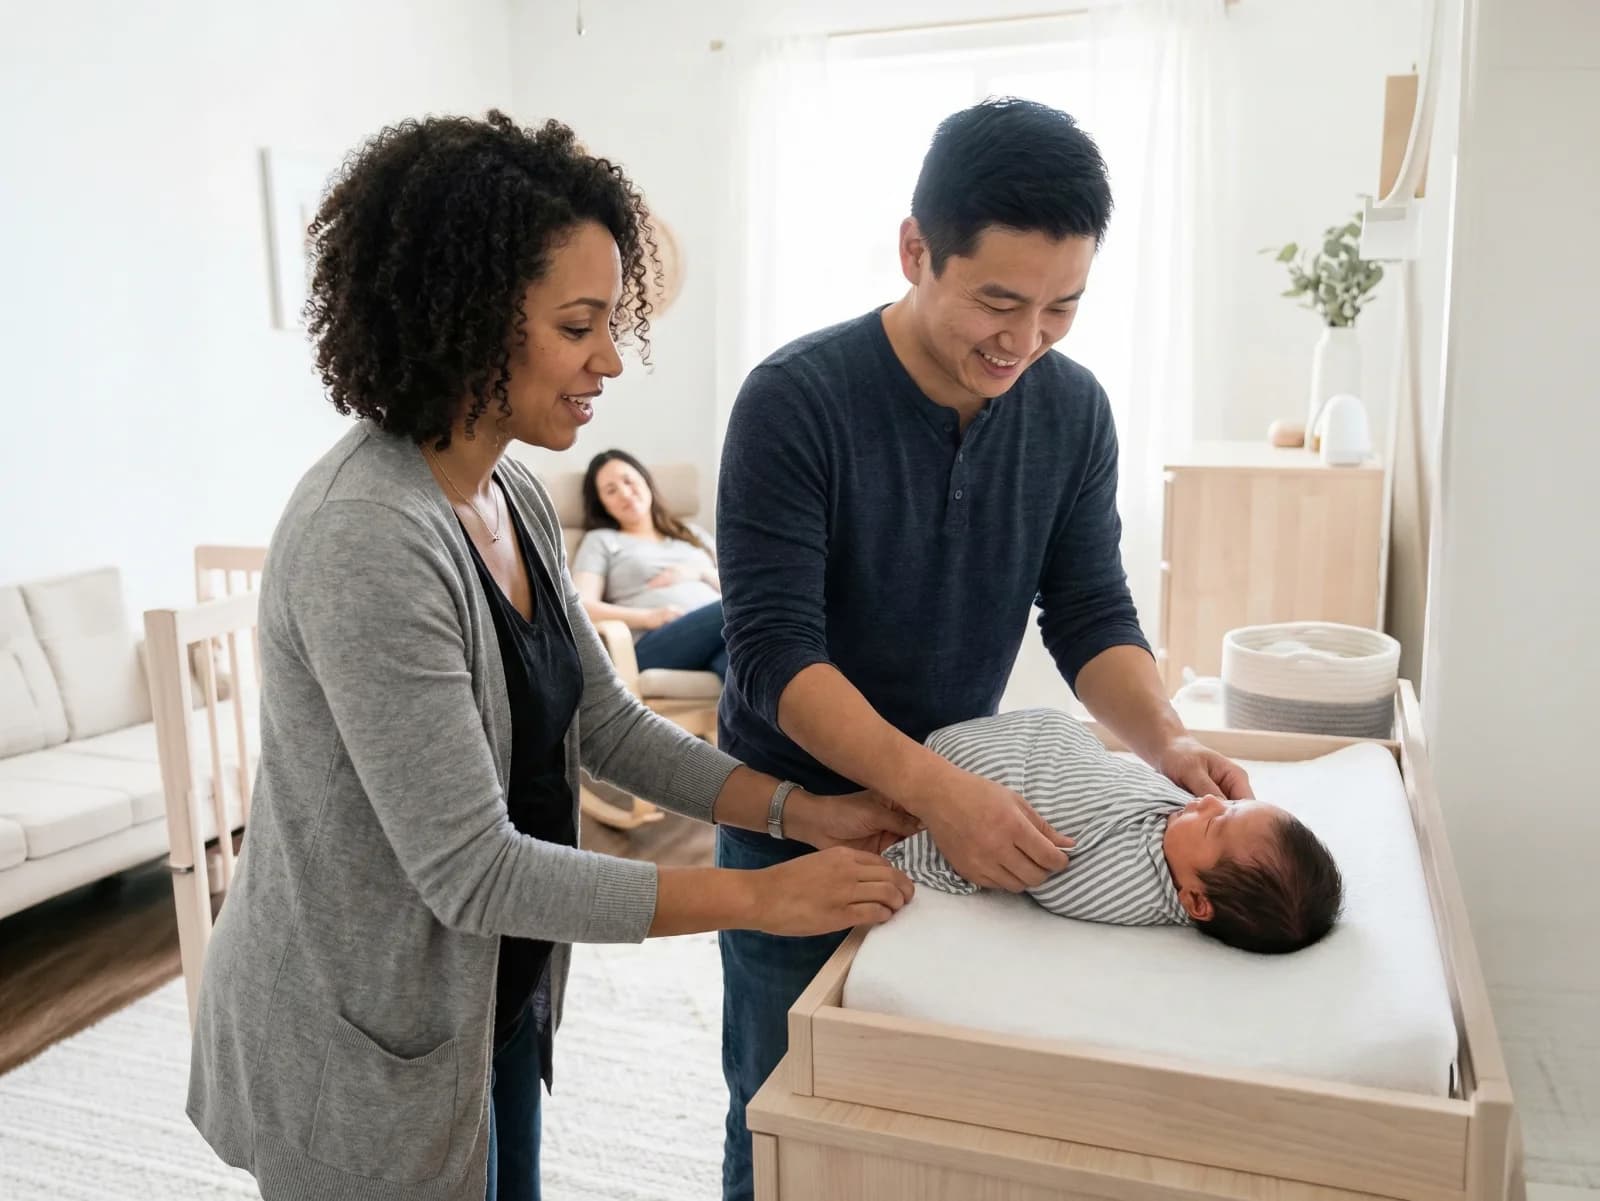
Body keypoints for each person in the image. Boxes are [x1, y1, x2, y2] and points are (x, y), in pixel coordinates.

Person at [184, 111, 916, 1201]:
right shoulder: (368, 535)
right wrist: (759, 896)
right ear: (471, 318)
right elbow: (475, 870)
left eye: (611, 322)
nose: (611, 359)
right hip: (363, 1036)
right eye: (580, 325)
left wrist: (798, 813)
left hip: (491, 996)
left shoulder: (513, 493)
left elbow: (604, 721)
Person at [713, 97, 1257, 1199]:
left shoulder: (1072, 412)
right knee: (780, 1114)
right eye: (998, 302)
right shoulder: (794, 402)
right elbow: (772, 656)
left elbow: (1090, 611)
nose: (1025, 340)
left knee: (913, 1132)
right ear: (915, 249)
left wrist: (1165, 741)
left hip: (954, 808)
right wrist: (937, 792)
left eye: (1063, 306)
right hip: (797, 816)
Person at [886, 709, 1343, 953]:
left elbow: (1054, 875)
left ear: (1196, 902)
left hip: (999, 770)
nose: (1207, 801)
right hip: (1045, 744)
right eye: (1231, 804)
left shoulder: (1128, 883)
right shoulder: (1182, 842)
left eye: (1215, 822)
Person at [571, 449, 728, 679]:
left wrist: (699, 573)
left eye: (628, 481)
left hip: (717, 634)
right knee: (742, 609)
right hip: (656, 641)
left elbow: (732, 585)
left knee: (743, 660)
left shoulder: (692, 534)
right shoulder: (600, 540)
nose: (625, 493)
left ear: (646, 481)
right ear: (602, 503)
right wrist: (649, 617)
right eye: (611, 491)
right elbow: (582, 607)